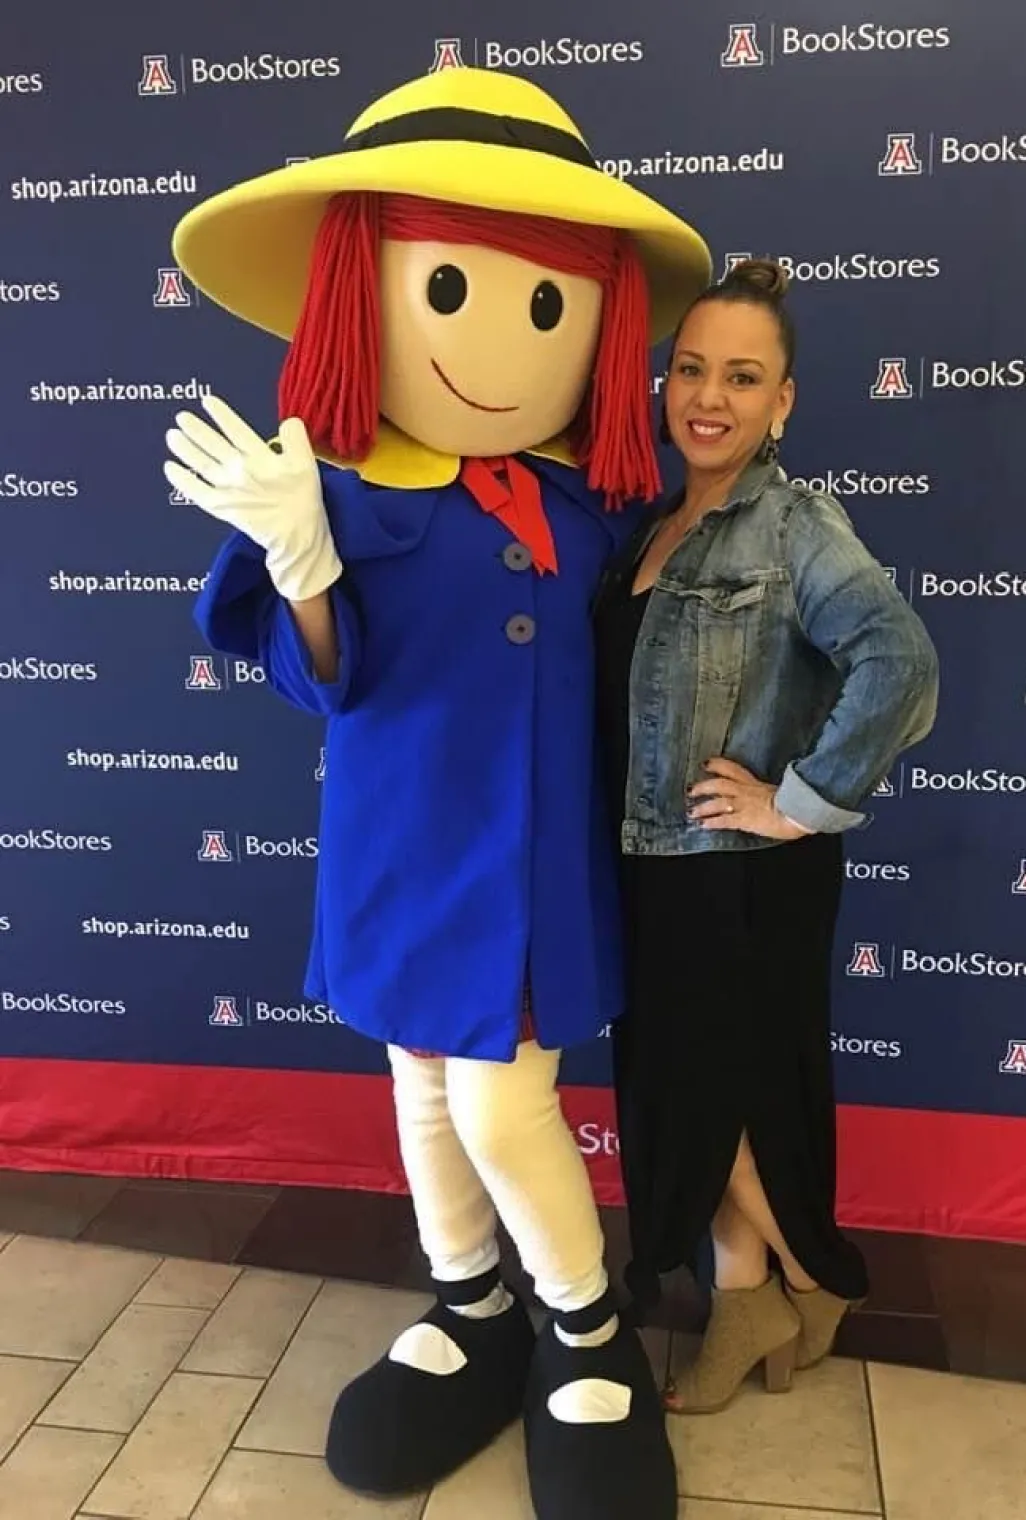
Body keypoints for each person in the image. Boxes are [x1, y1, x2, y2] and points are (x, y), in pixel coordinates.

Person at [161, 67, 710, 1520]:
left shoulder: (593, 491)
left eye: (545, 304)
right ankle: (470, 1304)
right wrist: (303, 569)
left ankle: (583, 1323)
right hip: (398, 844)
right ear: (362, 286)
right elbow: (323, 681)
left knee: (503, 1093)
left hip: (525, 857)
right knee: (417, 1078)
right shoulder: (334, 485)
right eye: (448, 285)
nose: (496, 337)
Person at [594, 258, 938, 1414]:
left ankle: (804, 1270)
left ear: (782, 401)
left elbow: (900, 659)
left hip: (740, 874)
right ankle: (747, 1285)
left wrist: (796, 799)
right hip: (657, 864)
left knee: (718, 1086)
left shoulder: (792, 525)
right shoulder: (658, 516)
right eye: (691, 368)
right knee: (694, 1085)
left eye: (743, 377)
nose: (710, 396)